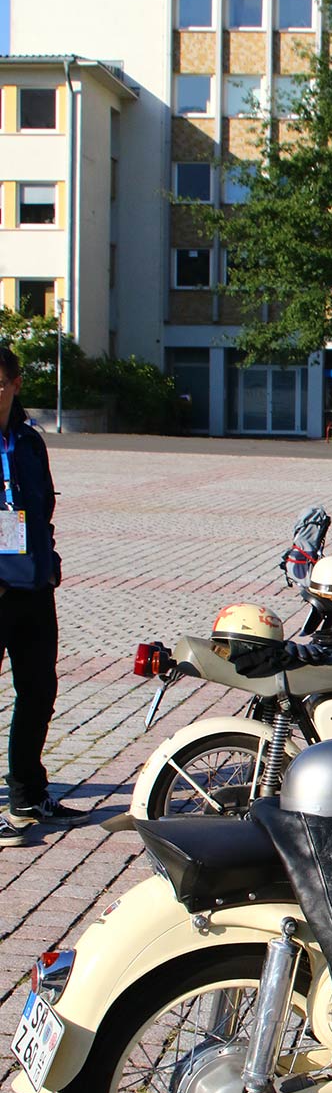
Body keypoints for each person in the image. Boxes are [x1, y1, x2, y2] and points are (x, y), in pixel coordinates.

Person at [0, 346, 88, 846]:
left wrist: (48, 565)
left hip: (33, 587)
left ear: (14, 383)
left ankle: (28, 794)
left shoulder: (30, 443)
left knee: (38, 692)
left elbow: (43, 510)